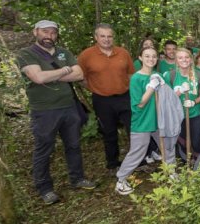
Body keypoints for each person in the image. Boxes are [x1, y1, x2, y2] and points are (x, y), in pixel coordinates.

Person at [16, 20, 95, 204]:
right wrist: (64, 70)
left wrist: (52, 75)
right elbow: (37, 77)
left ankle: (77, 178)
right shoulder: (27, 54)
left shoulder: (63, 52)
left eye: (52, 32)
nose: (49, 36)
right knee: (44, 149)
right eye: (45, 32)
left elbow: (78, 74)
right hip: (44, 112)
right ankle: (45, 188)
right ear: (35, 32)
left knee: (74, 145)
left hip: (69, 108)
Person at [114, 48, 174, 195]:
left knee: (167, 148)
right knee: (138, 152)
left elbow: (167, 97)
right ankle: (121, 180)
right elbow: (139, 104)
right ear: (140, 58)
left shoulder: (157, 75)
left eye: (154, 56)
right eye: (147, 56)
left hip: (158, 120)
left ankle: (171, 173)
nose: (151, 59)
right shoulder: (136, 78)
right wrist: (151, 87)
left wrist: (165, 86)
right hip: (142, 122)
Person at [78, 23, 135, 169]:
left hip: (124, 97)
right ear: (96, 37)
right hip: (102, 100)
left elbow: (131, 74)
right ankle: (113, 163)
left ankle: (137, 160)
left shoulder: (123, 53)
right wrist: (94, 88)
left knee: (133, 129)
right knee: (109, 132)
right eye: (102, 36)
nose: (106, 39)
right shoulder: (86, 55)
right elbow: (81, 77)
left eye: (109, 36)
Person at [164, 48, 200, 161]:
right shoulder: (170, 76)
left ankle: (197, 165)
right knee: (182, 141)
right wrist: (180, 91)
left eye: (187, 57)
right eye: (180, 58)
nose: (184, 60)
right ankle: (185, 165)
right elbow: (167, 99)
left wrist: (193, 102)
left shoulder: (199, 75)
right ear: (176, 61)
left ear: (191, 60)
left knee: (197, 141)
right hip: (178, 116)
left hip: (195, 114)